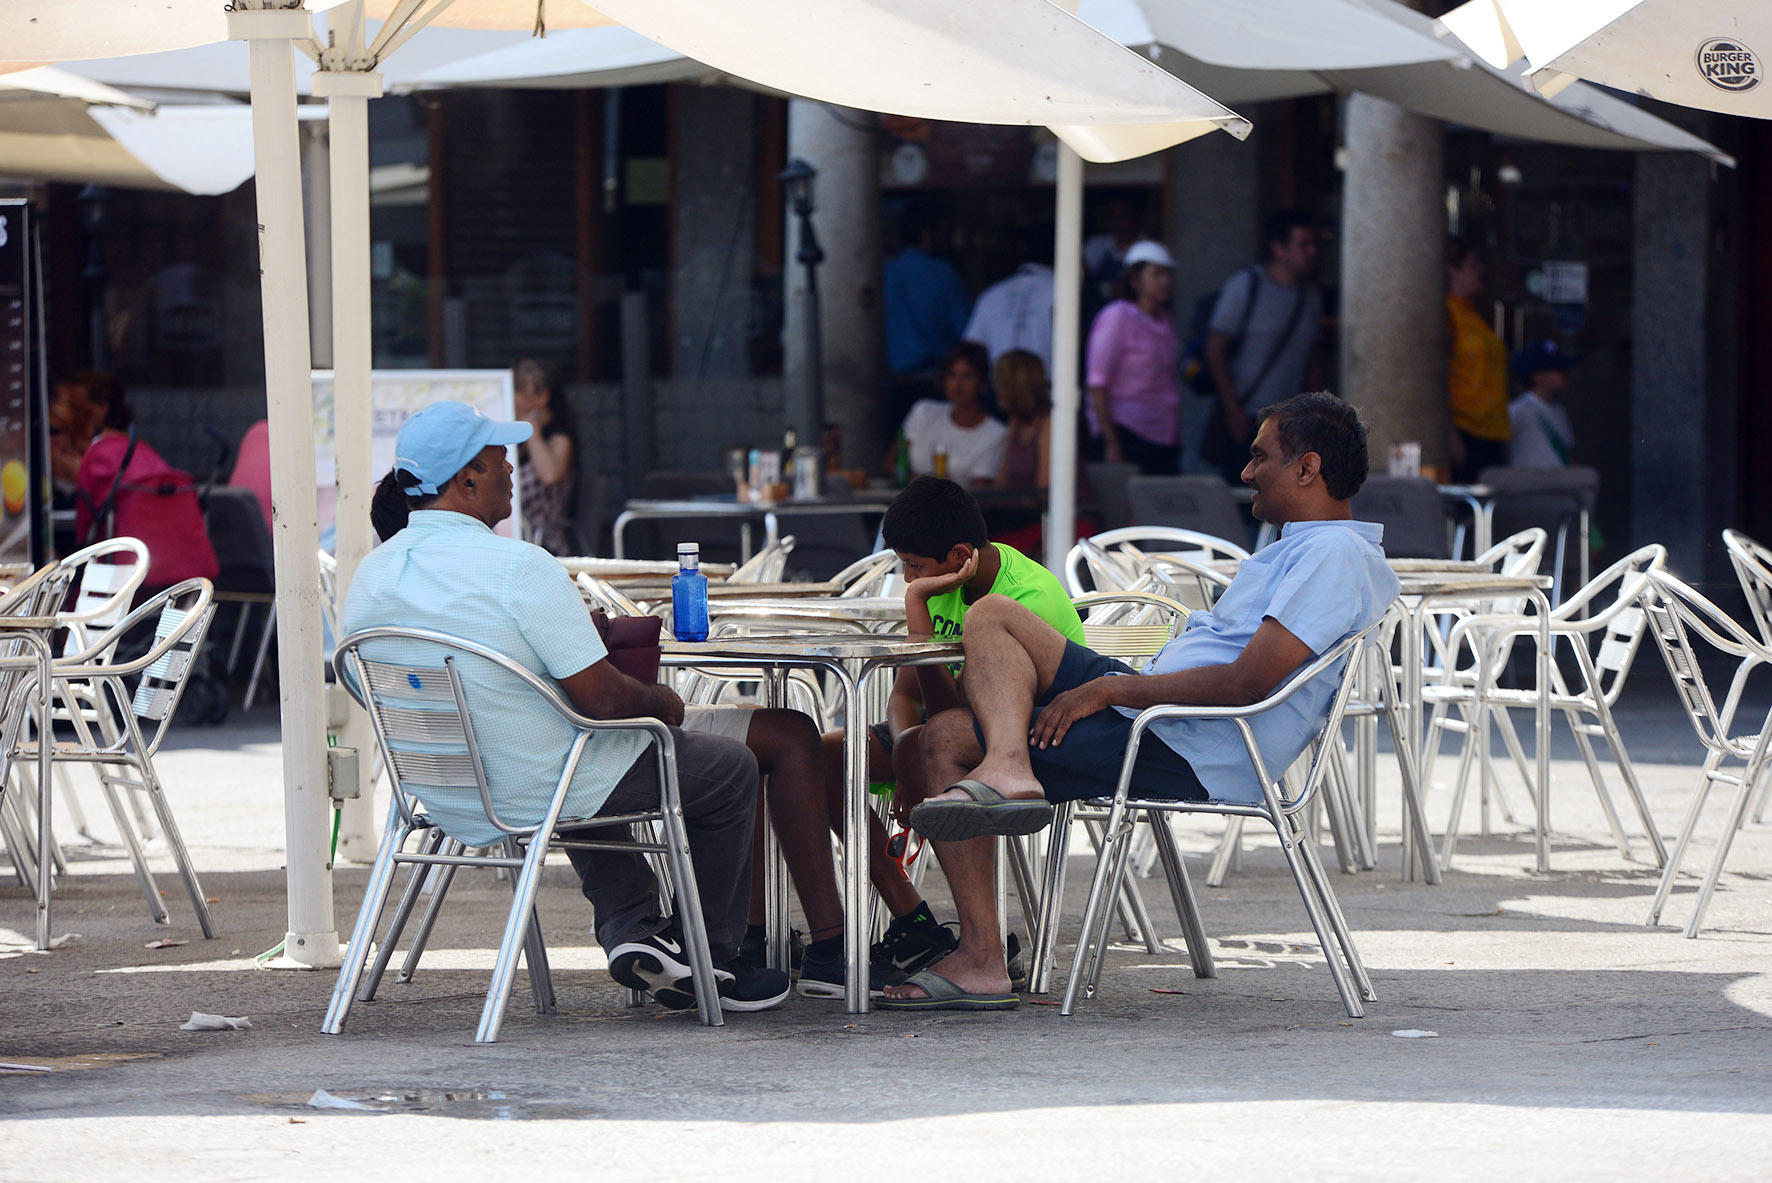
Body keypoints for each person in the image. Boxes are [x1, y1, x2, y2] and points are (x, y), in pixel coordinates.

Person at [879, 393, 1399, 1009]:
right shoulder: (1301, 546)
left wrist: (1114, 687)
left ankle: (983, 959)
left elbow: (1247, 683)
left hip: (1188, 740)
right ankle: (1010, 767)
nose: (1246, 471)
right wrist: (1118, 687)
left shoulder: (1333, 554)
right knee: (992, 613)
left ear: (1307, 469)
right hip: (1153, 714)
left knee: (942, 739)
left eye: (1260, 457)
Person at [350, 400, 789, 1013]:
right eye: (497, 460)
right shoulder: (517, 566)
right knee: (725, 769)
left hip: (437, 789)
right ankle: (710, 959)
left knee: (576, 747)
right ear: (465, 480)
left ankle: (636, 930)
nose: (511, 470)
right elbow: (604, 698)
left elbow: (361, 684)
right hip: (538, 783)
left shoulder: (370, 576)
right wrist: (663, 702)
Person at [817, 476, 1087, 983]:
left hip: (1027, 746)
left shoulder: (1024, 598)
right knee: (823, 756)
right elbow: (905, 696)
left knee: (931, 739)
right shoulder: (944, 582)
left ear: (959, 553)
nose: (906, 577)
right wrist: (901, 753)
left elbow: (957, 718)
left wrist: (917, 610)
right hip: (941, 733)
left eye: (914, 566)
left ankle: (979, 944)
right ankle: (914, 922)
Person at [1203, 210, 1324, 482]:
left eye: (1314, 245)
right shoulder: (1247, 285)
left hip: (1290, 424)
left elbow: (1312, 360)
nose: (1312, 252)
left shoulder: (1311, 297)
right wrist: (1232, 408)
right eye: (1303, 244)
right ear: (1279, 248)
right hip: (1245, 417)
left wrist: (1313, 415)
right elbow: (1215, 347)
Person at [74, 384, 220, 593]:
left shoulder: (98, 454)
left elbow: (86, 523)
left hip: (122, 573)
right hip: (177, 570)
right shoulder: (143, 450)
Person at [1084, 239, 1181, 475]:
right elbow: (1097, 384)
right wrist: (1111, 443)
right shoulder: (1117, 316)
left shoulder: (1165, 320)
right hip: (1127, 432)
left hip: (1164, 435)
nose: (1165, 281)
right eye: (1156, 274)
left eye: (1168, 274)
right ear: (1135, 280)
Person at [884, 203, 972, 434]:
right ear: (927, 236)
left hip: (896, 388)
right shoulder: (943, 273)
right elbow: (966, 331)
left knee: (898, 457)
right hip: (935, 385)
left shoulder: (886, 273)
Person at [887, 341, 1008, 488]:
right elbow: (891, 463)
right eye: (952, 375)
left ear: (982, 383)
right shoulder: (924, 411)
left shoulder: (996, 433)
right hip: (907, 505)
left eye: (967, 375)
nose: (958, 384)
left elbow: (981, 493)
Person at [1446, 239, 1510, 483]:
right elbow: (1438, 381)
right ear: (1452, 270)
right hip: (1465, 432)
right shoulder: (1447, 313)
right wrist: (1452, 439)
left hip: (1492, 432)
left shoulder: (1473, 315)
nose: (1480, 270)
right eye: (1472, 265)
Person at [962, 227, 1055, 374]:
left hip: (1002, 389)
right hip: (1045, 387)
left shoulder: (992, 294)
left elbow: (973, 347)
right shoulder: (1063, 291)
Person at [511, 358, 577, 555]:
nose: (512, 397)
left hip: (543, 543)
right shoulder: (514, 440)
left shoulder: (558, 439)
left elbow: (550, 476)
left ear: (542, 397)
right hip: (515, 538)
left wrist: (532, 431)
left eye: (519, 390)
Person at [1509, 340, 1575, 468]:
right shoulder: (1517, 410)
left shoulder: (1560, 412)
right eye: (1558, 370)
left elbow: (1567, 455)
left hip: (1561, 486)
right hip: (1527, 486)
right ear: (1537, 376)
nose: (1565, 374)